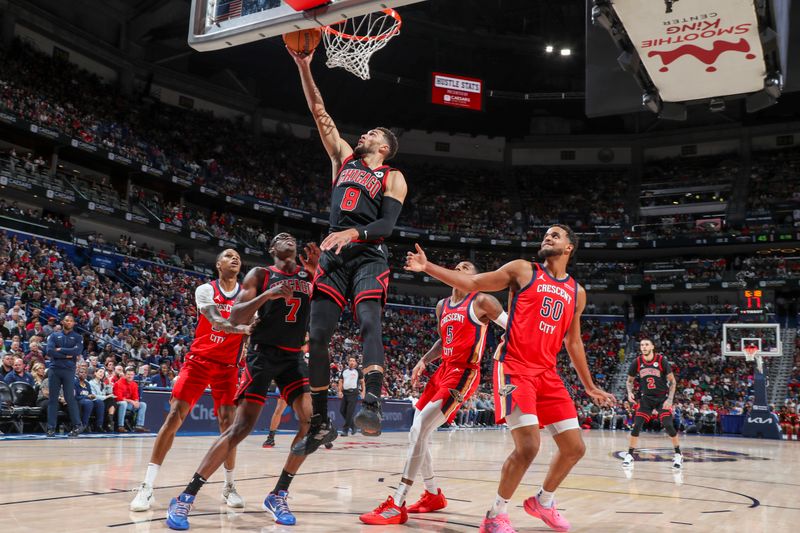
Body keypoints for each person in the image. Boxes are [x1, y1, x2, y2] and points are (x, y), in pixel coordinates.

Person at [404, 225, 616, 533]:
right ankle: (495, 515)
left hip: (547, 373)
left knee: (575, 448)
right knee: (529, 446)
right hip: (514, 366)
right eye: (546, 234)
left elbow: (574, 342)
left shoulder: (576, 292)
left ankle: (543, 501)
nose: (548, 237)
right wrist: (428, 268)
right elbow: (474, 282)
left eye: (556, 235)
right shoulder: (523, 270)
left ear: (570, 247)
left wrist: (589, 385)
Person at [288, 47, 408, 454]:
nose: (364, 135)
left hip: (368, 254)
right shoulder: (342, 158)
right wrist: (304, 67)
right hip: (333, 257)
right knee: (317, 335)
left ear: (384, 147)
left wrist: (353, 235)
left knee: (368, 319)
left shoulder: (393, 176)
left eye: (372, 133)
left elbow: (386, 226)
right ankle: (321, 419)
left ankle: (371, 400)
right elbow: (319, 110)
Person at [166, 234, 319, 530]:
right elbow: (236, 316)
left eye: (291, 236)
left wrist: (316, 272)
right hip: (263, 355)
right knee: (241, 427)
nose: (287, 237)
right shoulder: (260, 274)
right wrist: (267, 296)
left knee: (309, 421)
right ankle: (186, 496)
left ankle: (278, 494)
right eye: (279, 238)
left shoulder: (308, 275)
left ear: (297, 248)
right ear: (272, 249)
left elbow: (331, 304)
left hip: (293, 358)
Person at [360, 261, 506, 525]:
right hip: (442, 371)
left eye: (467, 266)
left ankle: (398, 502)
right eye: (458, 265)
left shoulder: (482, 301)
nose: (460, 267)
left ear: (476, 277)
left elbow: (513, 328)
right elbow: (443, 340)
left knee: (421, 427)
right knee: (417, 428)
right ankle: (432, 494)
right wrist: (424, 360)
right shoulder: (442, 306)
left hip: (463, 372)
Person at [130, 249, 254, 512]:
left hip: (228, 367)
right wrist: (242, 328)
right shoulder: (205, 290)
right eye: (229, 255)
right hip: (199, 361)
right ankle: (147, 487)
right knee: (174, 415)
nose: (235, 259)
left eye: (239, 258)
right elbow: (215, 320)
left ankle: (229, 486)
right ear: (218, 264)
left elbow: (254, 327)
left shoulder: (246, 295)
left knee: (228, 426)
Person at [622, 338, 682, 469]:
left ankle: (678, 454)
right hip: (646, 399)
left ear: (652, 347)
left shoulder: (661, 360)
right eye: (642, 345)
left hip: (662, 399)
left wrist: (670, 399)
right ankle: (630, 455)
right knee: (636, 426)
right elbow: (629, 381)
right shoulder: (637, 362)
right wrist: (630, 392)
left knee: (668, 426)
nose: (643, 347)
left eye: (646, 344)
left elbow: (672, 382)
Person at [45, 314, 83, 437]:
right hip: (54, 370)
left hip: (69, 370)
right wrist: (67, 355)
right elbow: (49, 351)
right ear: (62, 322)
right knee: (52, 399)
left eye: (71, 321)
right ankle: (51, 428)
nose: (69, 322)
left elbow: (77, 351)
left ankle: (77, 426)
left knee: (69, 398)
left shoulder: (77, 337)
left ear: (74, 323)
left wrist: (60, 350)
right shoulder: (54, 335)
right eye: (67, 320)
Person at [114, 367, 148, 433]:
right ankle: (120, 426)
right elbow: (119, 398)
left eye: (132, 375)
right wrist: (132, 401)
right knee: (124, 403)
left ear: (134, 375)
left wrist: (136, 401)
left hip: (129, 404)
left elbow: (136, 396)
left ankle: (139, 426)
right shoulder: (118, 383)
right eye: (128, 374)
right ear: (125, 375)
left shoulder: (134, 384)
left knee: (143, 404)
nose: (130, 376)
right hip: (118, 404)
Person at [338, 356, 365, 436]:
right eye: (350, 360)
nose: (352, 362)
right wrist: (339, 391)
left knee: (349, 412)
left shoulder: (358, 371)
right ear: (348, 362)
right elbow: (340, 381)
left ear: (356, 363)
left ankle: (345, 431)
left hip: (353, 393)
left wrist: (363, 392)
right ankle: (353, 426)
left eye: (353, 361)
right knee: (342, 411)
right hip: (345, 393)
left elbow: (362, 382)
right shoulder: (344, 371)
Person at [74, 366, 103, 432]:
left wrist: (92, 396)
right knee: (88, 402)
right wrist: (87, 397)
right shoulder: (74, 383)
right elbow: (75, 397)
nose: (83, 374)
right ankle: (84, 425)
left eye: (85, 373)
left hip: (87, 400)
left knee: (99, 402)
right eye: (81, 372)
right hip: (78, 401)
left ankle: (99, 425)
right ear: (78, 374)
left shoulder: (87, 384)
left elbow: (89, 394)